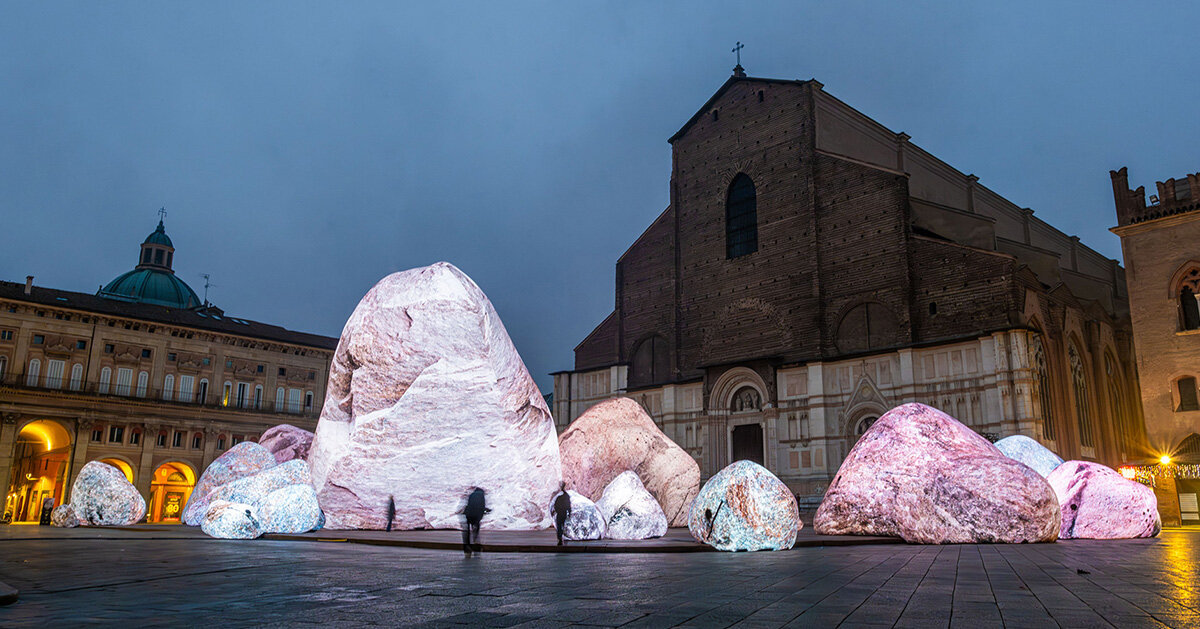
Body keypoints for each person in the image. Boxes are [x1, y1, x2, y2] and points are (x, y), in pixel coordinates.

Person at [461, 487, 489, 556]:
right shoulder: (481, 496)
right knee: (476, 528)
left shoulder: (471, 495)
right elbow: (482, 506)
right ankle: (476, 543)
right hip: (476, 515)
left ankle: (467, 547)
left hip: (468, 514)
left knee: (467, 531)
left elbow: (468, 504)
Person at [551, 482, 571, 546]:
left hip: (560, 513)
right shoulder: (566, 496)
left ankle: (560, 537)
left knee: (559, 525)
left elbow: (555, 505)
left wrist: (556, 511)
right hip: (563, 512)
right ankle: (561, 537)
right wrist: (569, 512)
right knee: (562, 525)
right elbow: (568, 505)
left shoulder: (559, 496)